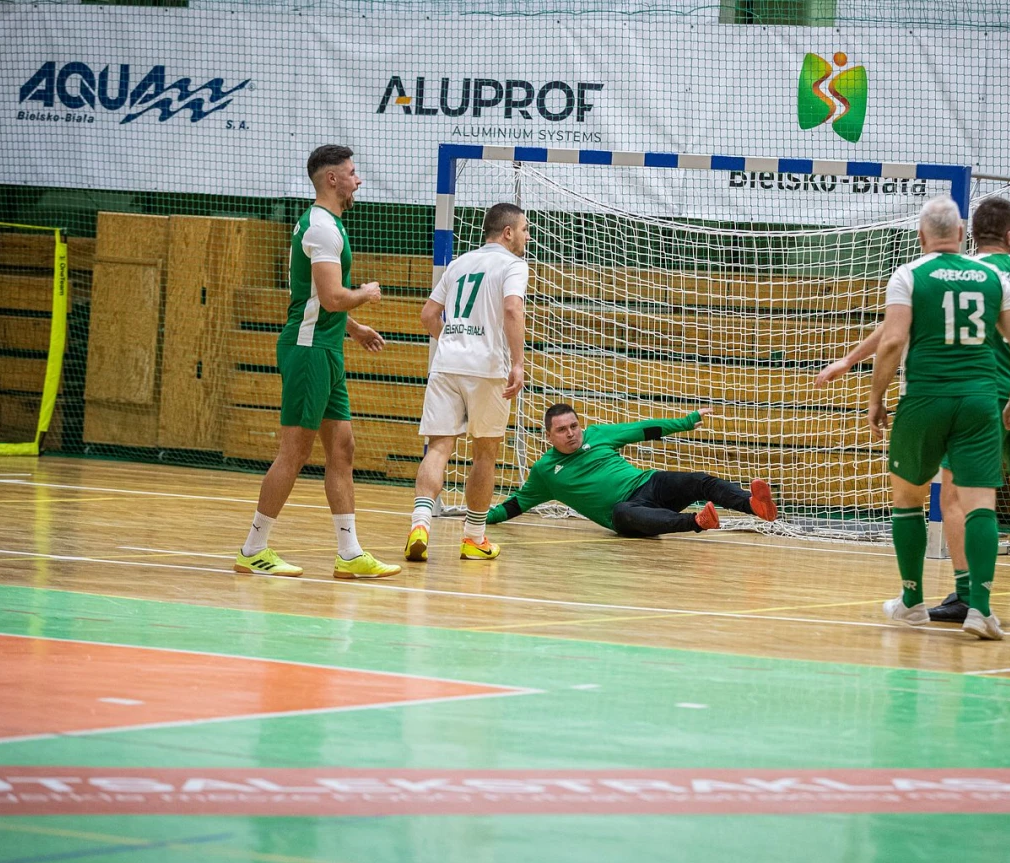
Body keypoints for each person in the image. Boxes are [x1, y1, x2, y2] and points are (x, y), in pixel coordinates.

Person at [818, 196, 1010, 625]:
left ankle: (953, 595)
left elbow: (894, 332)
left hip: (952, 395)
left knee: (945, 499)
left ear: (965, 234)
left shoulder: (925, 274)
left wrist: (855, 368)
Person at [866, 196, 1010, 640]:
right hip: (980, 401)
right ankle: (980, 610)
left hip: (924, 399)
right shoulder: (993, 276)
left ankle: (911, 601)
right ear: (961, 235)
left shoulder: (909, 275)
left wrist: (876, 398)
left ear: (921, 236)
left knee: (908, 498)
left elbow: (891, 342)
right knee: (979, 502)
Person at [234, 145, 401, 579]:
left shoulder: (328, 224)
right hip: (308, 349)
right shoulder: (322, 227)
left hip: (326, 348)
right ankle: (253, 548)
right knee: (294, 452)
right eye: (352, 172)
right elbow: (330, 297)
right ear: (332, 179)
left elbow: (318, 297)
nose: (357, 180)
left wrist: (353, 328)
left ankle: (349, 553)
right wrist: (365, 294)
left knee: (342, 448)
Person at [404, 202, 529, 562]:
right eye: (524, 230)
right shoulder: (513, 265)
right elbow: (512, 309)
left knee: (438, 447)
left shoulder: (458, 264)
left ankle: (421, 523)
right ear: (508, 232)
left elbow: (428, 314)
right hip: (488, 368)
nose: (527, 236)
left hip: (447, 365)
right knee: (484, 453)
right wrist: (518, 363)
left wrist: (451, 342)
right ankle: (473, 537)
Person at [486, 403, 778, 537]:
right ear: (549, 436)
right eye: (562, 430)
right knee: (625, 511)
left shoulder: (598, 434)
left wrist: (686, 422)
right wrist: (480, 518)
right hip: (625, 514)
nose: (571, 433)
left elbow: (642, 429)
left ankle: (754, 506)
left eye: (574, 426)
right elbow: (516, 504)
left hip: (647, 483)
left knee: (700, 481)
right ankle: (697, 522)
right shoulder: (545, 472)